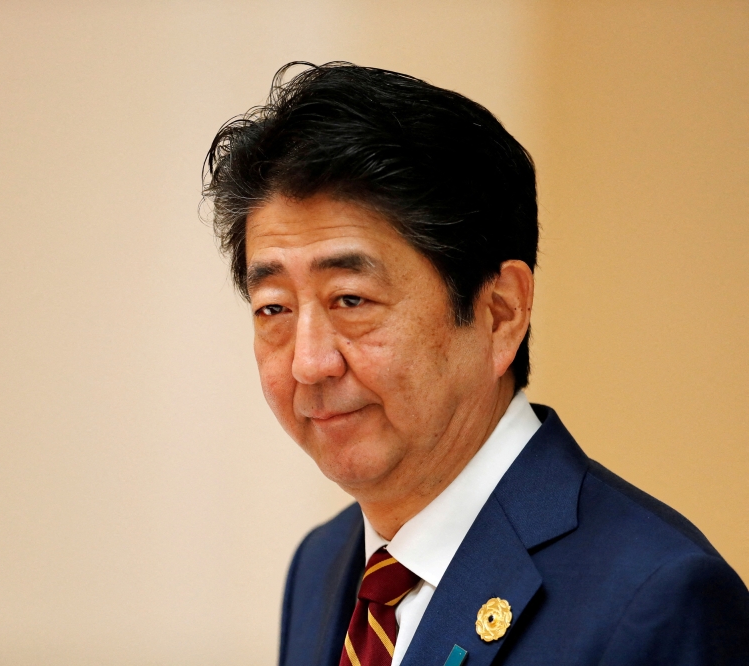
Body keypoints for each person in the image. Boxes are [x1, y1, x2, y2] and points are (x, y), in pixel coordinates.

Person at [201, 62, 749, 666]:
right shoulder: (322, 565)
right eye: (273, 308)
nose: (309, 363)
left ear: (499, 313)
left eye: (351, 300)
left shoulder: (659, 598)